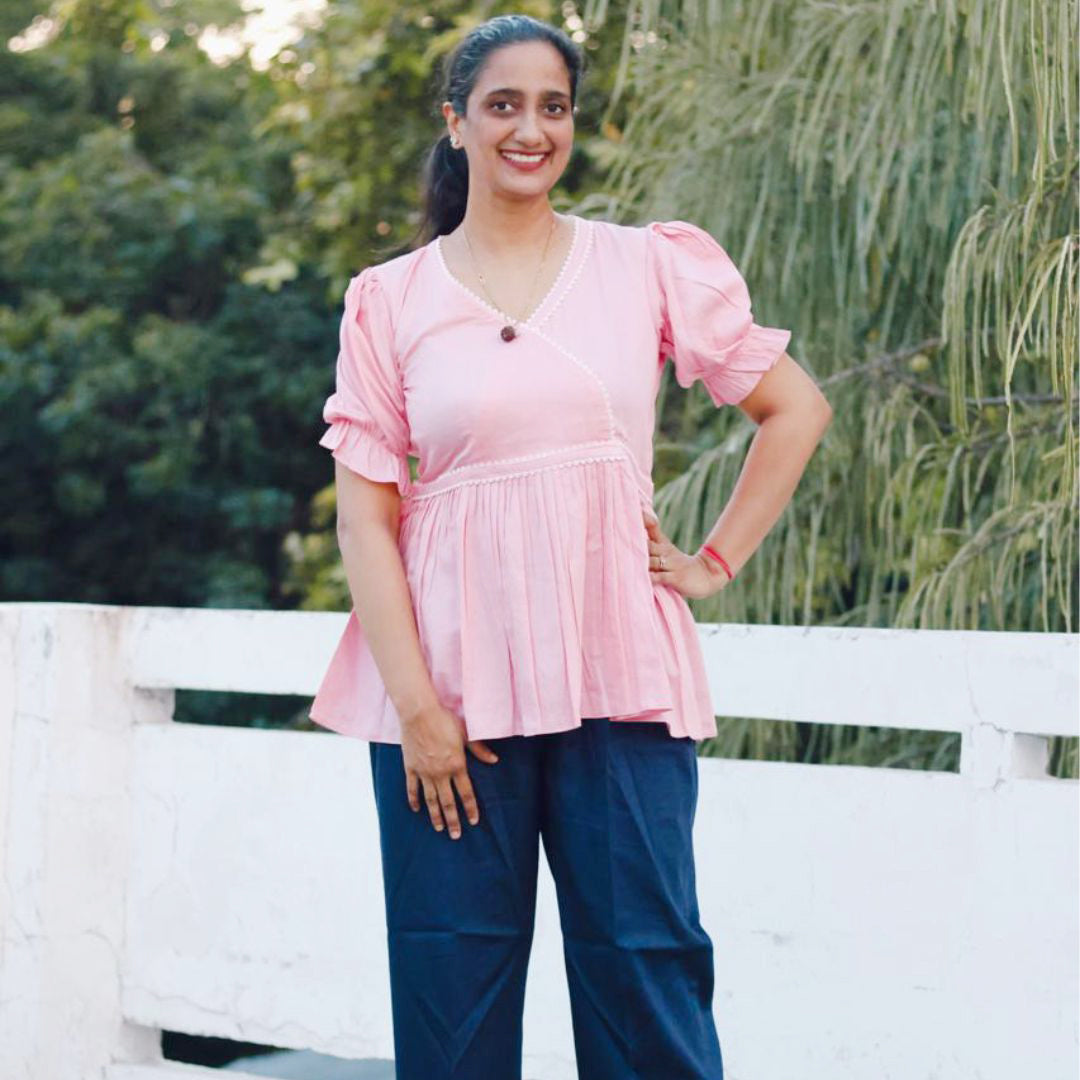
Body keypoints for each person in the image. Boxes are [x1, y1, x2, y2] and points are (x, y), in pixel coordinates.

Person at [309, 13, 832, 1080]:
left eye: (553, 106)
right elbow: (366, 515)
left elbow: (796, 409)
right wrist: (416, 712)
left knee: (647, 989)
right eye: (503, 104)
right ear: (456, 121)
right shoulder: (390, 300)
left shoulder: (645, 266)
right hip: (450, 700)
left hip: (619, 678)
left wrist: (711, 563)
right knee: (451, 1008)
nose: (530, 129)